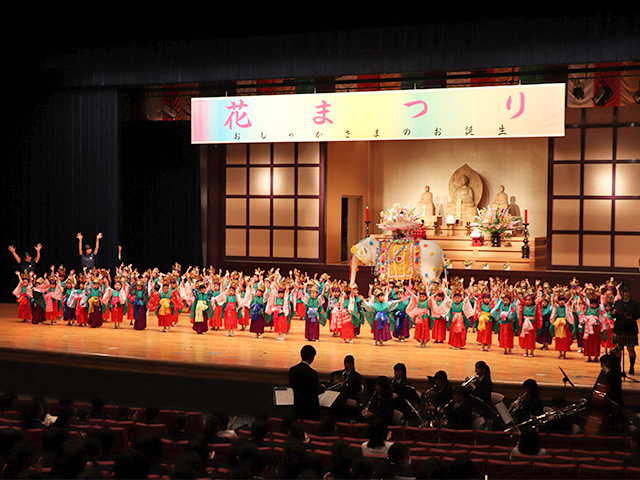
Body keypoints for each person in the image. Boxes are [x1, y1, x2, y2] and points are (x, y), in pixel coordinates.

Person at [288, 345, 325, 420]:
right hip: (311, 409)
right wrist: (323, 388)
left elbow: (292, 385)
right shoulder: (312, 373)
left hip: (298, 405)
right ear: (311, 357)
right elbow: (316, 390)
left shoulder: (293, 370)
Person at [613, 283, 640, 375]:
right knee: (618, 349)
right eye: (623, 292)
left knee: (630, 349)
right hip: (619, 328)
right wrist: (614, 312)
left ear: (630, 293)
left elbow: (638, 314)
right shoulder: (618, 302)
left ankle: (631, 367)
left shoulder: (635, 303)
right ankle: (618, 368)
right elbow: (613, 315)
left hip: (630, 328)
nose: (625, 294)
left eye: (626, 292)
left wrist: (631, 317)